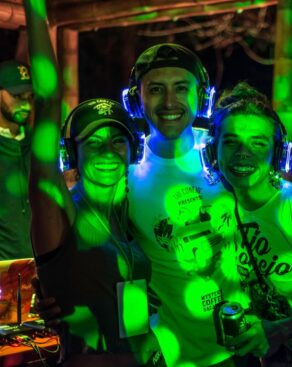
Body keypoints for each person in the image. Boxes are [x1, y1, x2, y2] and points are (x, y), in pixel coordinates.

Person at [24, 2, 156, 366]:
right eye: (92, 143)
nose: (107, 152)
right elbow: (48, 100)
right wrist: (35, 8)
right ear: (73, 154)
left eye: (117, 141)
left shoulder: (133, 217)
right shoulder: (61, 208)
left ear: (132, 150)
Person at [204, 82, 292, 366]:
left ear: (278, 154)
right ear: (212, 152)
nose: (243, 153)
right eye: (231, 142)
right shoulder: (212, 207)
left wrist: (286, 329)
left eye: (258, 142)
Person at [125, 43, 246, 367]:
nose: (169, 102)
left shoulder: (226, 156)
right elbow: (121, 268)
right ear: (137, 100)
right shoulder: (125, 176)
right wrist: (140, 340)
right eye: (155, 90)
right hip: (169, 355)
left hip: (243, 349)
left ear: (201, 96)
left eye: (181, 88)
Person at [0, 59, 34, 260]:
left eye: (30, 96)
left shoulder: (38, 144)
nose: (26, 104)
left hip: (40, 271)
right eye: (17, 96)